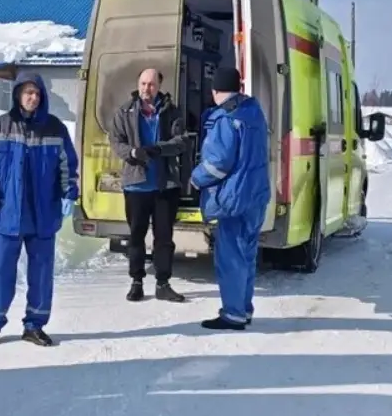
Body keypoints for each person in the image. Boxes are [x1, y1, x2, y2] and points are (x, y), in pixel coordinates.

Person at [0, 71, 79, 347]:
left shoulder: (56, 128)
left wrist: (69, 193)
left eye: (37, 93)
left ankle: (34, 324)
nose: (32, 97)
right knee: (0, 270)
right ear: (18, 94)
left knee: (42, 272)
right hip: (7, 213)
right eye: (27, 92)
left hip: (44, 213)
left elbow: (68, 165)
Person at [190, 66, 271, 330]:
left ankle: (233, 313)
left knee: (231, 257)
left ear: (215, 91)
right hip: (256, 196)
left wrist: (196, 178)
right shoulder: (253, 112)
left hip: (234, 199)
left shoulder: (225, 119)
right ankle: (244, 309)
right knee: (247, 255)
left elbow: (218, 163)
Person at [108, 68, 188, 303]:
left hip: (165, 186)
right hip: (136, 186)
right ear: (138, 84)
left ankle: (163, 283)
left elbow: (182, 141)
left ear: (159, 86)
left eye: (151, 84)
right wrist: (132, 152)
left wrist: (158, 149)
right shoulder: (124, 111)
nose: (146, 89)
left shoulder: (171, 111)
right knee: (136, 237)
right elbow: (116, 141)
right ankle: (137, 282)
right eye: (143, 83)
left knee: (164, 238)